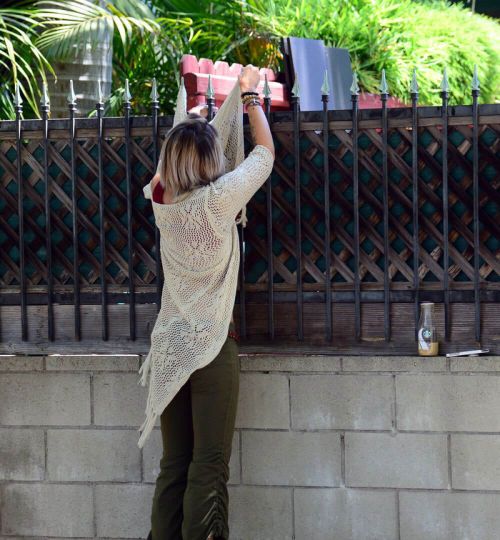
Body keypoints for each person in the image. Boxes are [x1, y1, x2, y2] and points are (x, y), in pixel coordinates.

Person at [142, 64, 275, 540]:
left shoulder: (161, 198)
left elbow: (170, 160)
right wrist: (250, 96)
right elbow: (264, 154)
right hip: (212, 347)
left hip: (169, 348)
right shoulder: (217, 202)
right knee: (208, 466)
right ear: (207, 162)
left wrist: (195, 118)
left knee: (173, 465)